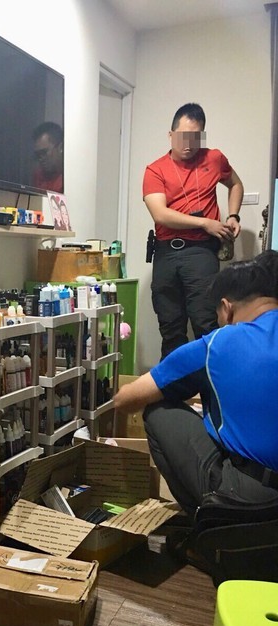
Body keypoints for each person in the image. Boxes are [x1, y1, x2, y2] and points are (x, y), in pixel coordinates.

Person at [113, 250, 278, 526]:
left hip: (256, 496)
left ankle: (208, 526)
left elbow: (126, 399)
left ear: (226, 307)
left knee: (158, 411)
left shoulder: (218, 343)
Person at [143, 103, 244, 359]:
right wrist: (204, 223)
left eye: (195, 137)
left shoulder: (214, 158)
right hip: (166, 253)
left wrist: (233, 215)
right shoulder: (155, 169)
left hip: (201, 252)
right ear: (170, 135)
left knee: (205, 323)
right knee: (170, 327)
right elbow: (160, 214)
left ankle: (209, 385)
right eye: (183, 136)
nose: (189, 144)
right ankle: (173, 385)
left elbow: (235, 184)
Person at [32, 122, 63, 193]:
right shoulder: (38, 175)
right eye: (38, 154)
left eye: (44, 152)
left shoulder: (71, 177)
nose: (41, 158)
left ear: (61, 148)